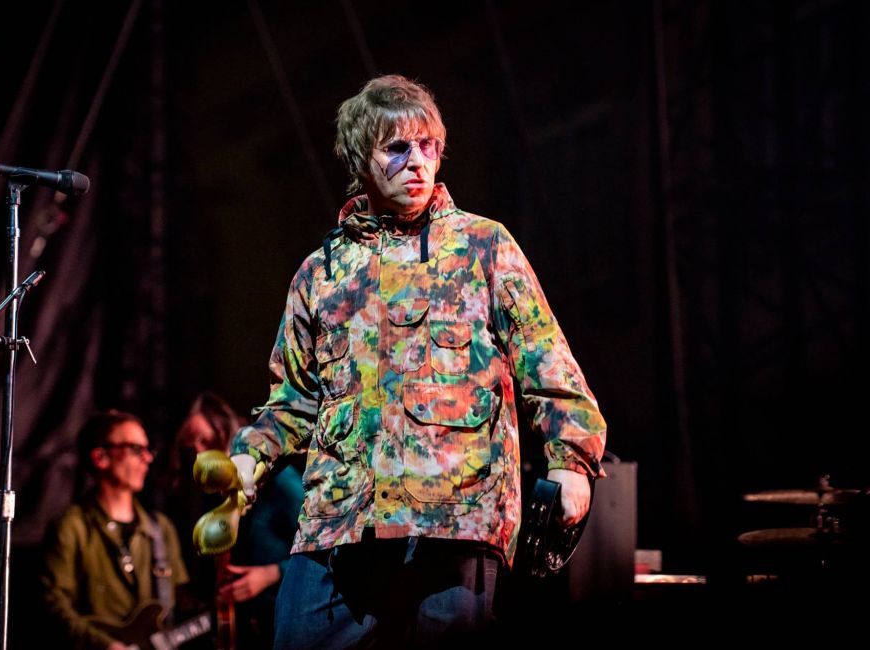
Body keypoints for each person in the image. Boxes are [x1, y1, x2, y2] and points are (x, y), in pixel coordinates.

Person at [227, 74, 607, 648]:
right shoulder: (319, 273)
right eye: (397, 148)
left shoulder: (483, 245)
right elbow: (295, 399)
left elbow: (547, 360)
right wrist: (250, 460)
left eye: (427, 146)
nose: (417, 161)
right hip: (340, 523)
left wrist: (572, 462)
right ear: (361, 157)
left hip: (454, 518)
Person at [41, 410, 191, 650]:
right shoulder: (71, 526)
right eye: (135, 449)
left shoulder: (161, 529)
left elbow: (181, 602)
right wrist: (105, 645)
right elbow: (52, 604)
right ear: (101, 457)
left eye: (147, 449)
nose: (147, 458)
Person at [164, 392, 303, 649]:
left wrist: (271, 574)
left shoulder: (280, 482)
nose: (199, 455)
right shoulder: (211, 499)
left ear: (228, 429)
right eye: (190, 450)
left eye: (206, 441)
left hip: (284, 626)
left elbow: (323, 548)